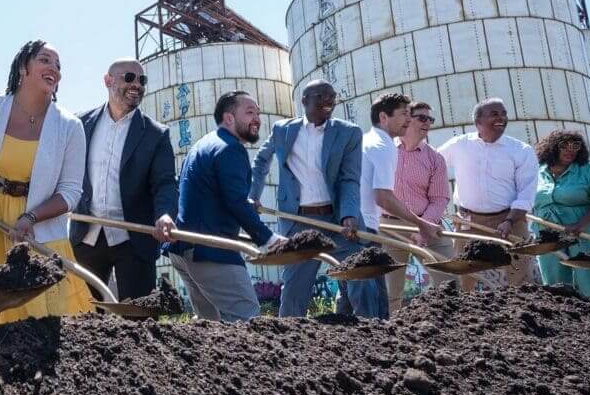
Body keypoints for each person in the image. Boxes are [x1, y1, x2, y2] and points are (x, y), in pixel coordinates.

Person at [0, 41, 94, 326]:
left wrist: (31, 216)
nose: (53, 68)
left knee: (45, 319)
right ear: (22, 67)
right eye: (45, 60)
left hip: (37, 229)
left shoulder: (69, 126)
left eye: (58, 65)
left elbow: (70, 192)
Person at [168, 92, 285, 323]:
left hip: (183, 250)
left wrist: (246, 204)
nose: (257, 119)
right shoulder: (231, 148)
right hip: (209, 251)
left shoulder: (202, 145)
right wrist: (268, 239)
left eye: (258, 113)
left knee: (210, 328)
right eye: (250, 112)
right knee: (247, 319)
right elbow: (235, 202)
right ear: (229, 118)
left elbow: (215, 194)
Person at [250, 79, 362, 317]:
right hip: (298, 222)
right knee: (294, 290)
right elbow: (261, 161)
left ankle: (370, 332)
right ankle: (287, 340)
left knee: (359, 277)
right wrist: (253, 197)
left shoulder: (349, 133)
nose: (329, 101)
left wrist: (349, 214)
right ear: (304, 101)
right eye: (321, 96)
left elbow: (349, 179)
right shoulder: (283, 130)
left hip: (336, 219)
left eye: (332, 96)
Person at [70, 59, 178, 301]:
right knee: (81, 320)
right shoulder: (80, 124)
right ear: (108, 81)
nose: (137, 85)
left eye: (142, 80)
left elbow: (165, 183)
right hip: (86, 236)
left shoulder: (156, 134)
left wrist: (165, 214)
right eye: (129, 77)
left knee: (138, 319)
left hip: (134, 239)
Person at [437, 99, 540, 287]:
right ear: (478, 122)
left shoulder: (521, 151)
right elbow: (432, 165)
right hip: (468, 221)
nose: (501, 118)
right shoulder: (459, 145)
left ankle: (523, 311)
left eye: (503, 114)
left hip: (509, 220)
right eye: (494, 114)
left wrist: (510, 220)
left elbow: (526, 193)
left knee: (520, 273)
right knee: (462, 276)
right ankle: (463, 312)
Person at [349, 92, 422, 319]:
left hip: (353, 223)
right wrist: (421, 224)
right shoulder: (383, 145)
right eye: (403, 114)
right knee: (372, 305)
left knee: (355, 294)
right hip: (365, 229)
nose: (409, 120)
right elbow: (383, 197)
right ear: (383, 117)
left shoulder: (365, 140)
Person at [381, 101, 456, 310]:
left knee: (449, 278)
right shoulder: (384, 151)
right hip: (391, 227)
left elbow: (440, 198)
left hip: (427, 224)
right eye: (422, 118)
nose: (427, 123)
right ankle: (389, 334)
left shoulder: (435, 159)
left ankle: (451, 326)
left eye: (430, 119)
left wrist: (424, 227)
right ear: (407, 119)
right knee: (389, 290)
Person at [532, 130, 590, 297]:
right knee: (555, 286)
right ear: (552, 147)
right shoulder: (536, 173)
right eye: (564, 145)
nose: (570, 149)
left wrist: (581, 224)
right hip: (548, 237)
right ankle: (562, 320)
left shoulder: (588, 171)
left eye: (575, 146)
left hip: (583, 233)